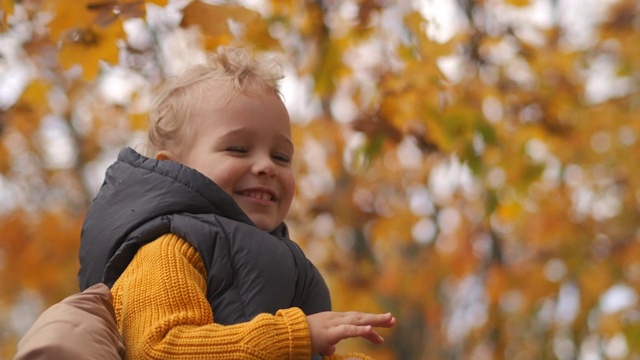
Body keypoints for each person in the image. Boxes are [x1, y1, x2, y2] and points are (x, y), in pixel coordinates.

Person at [77, 45, 395, 359]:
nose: (266, 166)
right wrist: (296, 336)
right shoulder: (169, 249)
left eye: (281, 156)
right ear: (174, 167)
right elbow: (159, 348)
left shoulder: (278, 261)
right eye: (238, 149)